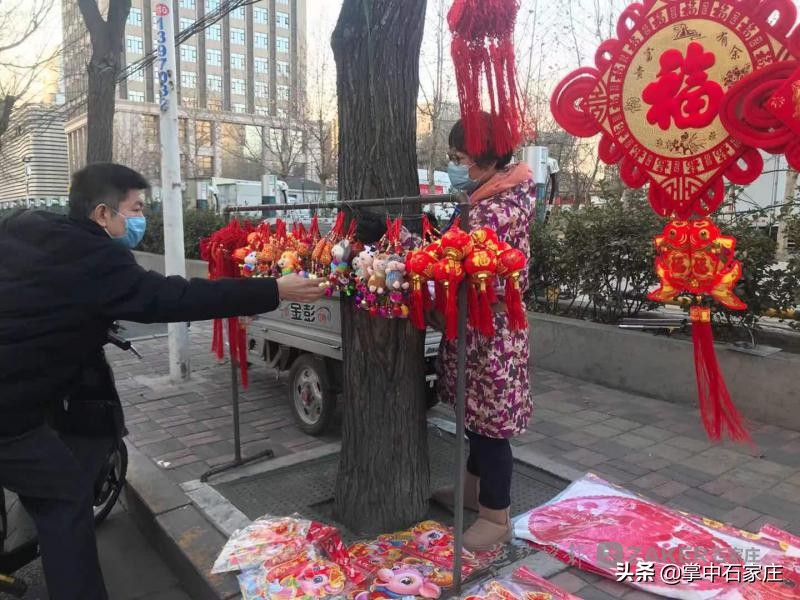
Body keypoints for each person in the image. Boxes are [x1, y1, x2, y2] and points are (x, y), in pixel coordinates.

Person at [0, 163, 325, 600]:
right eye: (135, 209)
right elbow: (175, 297)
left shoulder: (25, 228)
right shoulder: (96, 259)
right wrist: (274, 290)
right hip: (10, 410)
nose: (140, 219)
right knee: (63, 496)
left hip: (23, 388)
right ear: (102, 214)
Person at [431, 116, 533, 551]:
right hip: (476, 326)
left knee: (491, 425)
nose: (457, 167)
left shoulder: (498, 209)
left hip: (490, 330)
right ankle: (472, 491)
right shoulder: (487, 196)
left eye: (460, 159)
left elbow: (487, 272)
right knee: (474, 416)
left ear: (486, 157)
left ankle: (496, 513)